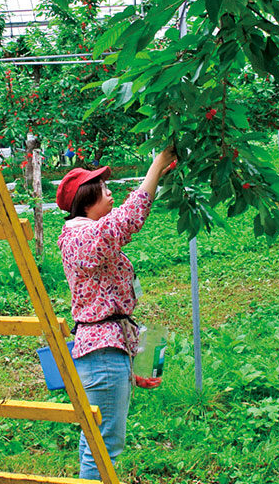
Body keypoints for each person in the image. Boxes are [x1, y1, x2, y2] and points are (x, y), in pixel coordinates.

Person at [55, 148, 176, 479]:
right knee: (104, 445)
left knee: (95, 442)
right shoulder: (80, 235)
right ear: (86, 199)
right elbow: (125, 222)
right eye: (104, 188)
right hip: (101, 353)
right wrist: (155, 167)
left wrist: (133, 360)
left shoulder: (86, 235)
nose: (110, 193)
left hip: (109, 350)